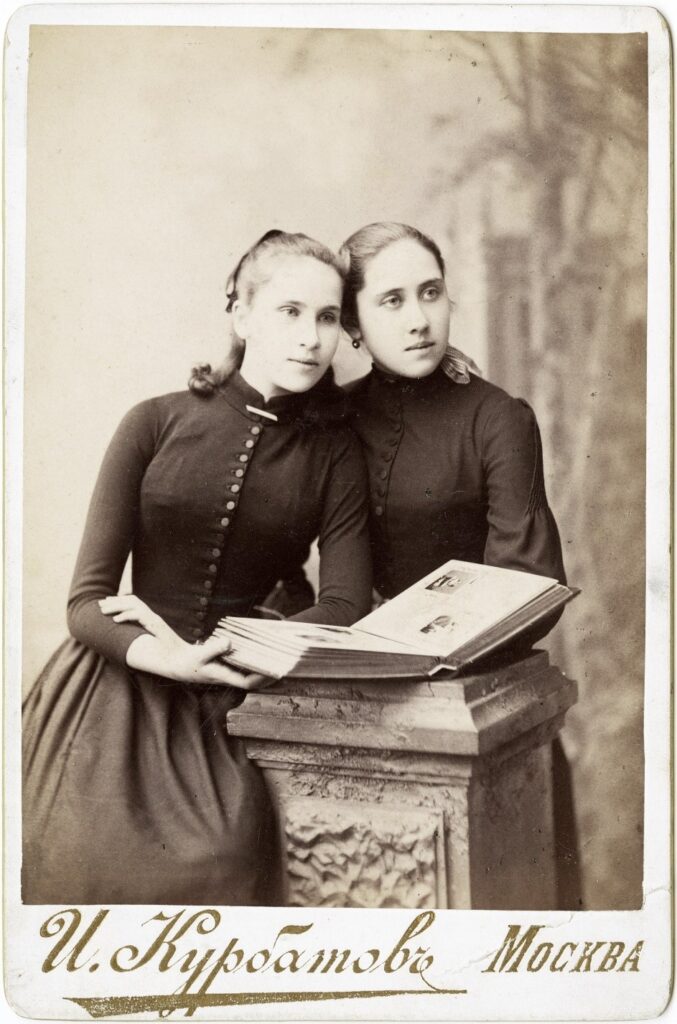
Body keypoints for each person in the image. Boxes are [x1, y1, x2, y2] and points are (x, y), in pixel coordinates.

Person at [22, 229, 372, 905]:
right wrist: (169, 656)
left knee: (219, 858)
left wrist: (244, 648)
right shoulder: (153, 421)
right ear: (242, 316)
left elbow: (344, 605)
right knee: (70, 850)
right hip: (113, 690)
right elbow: (86, 601)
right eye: (289, 311)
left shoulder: (334, 455)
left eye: (327, 317)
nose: (310, 337)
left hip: (231, 694)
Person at [338, 221, 566, 610]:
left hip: (472, 644)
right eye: (392, 300)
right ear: (352, 322)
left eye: (431, 293)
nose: (420, 321)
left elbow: (529, 590)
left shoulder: (498, 419)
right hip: (354, 642)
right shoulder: (336, 414)